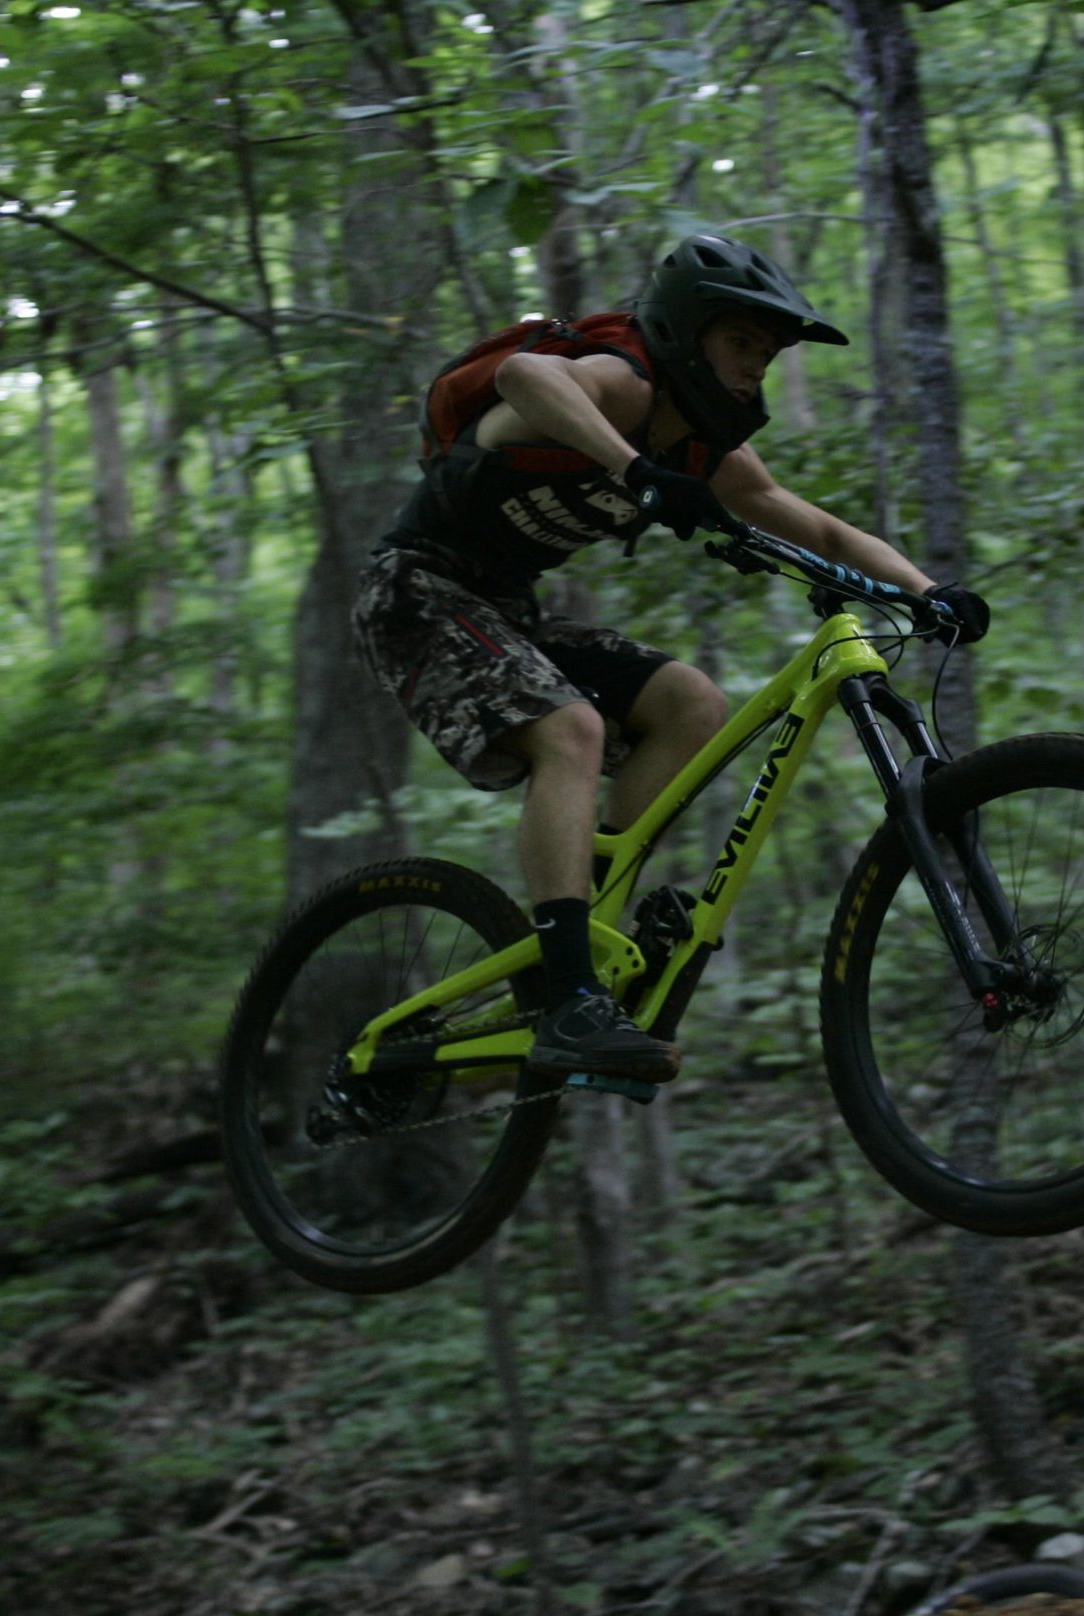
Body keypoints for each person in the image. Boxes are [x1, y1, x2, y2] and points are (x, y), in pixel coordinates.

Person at [351, 234, 990, 1086]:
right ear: (689, 333)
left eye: (765, 355)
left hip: (505, 610)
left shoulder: (705, 448)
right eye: (741, 344)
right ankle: (571, 985)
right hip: (416, 590)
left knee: (691, 704)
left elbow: (822, 528)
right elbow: (524, 380)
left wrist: (927, 591)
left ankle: (587, 925)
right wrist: (634, 468)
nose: (753, 369)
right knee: (570, 730)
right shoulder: (625, 382)